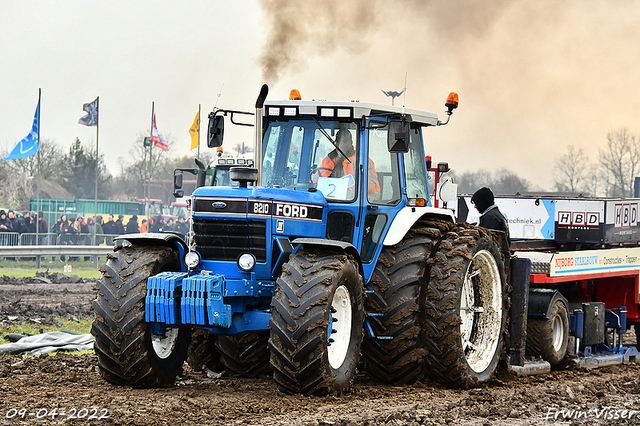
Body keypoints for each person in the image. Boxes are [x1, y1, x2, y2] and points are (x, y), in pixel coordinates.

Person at [316, 129, 380, 198]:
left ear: (351, 142)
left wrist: (350, 185)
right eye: (340, 141)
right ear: (336, 143)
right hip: (333, 200)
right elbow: (316, 182)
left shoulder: (363, 160)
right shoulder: (329, 159)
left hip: (359, 202)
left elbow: (371, 187)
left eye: (345, 141)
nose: (342, 144)